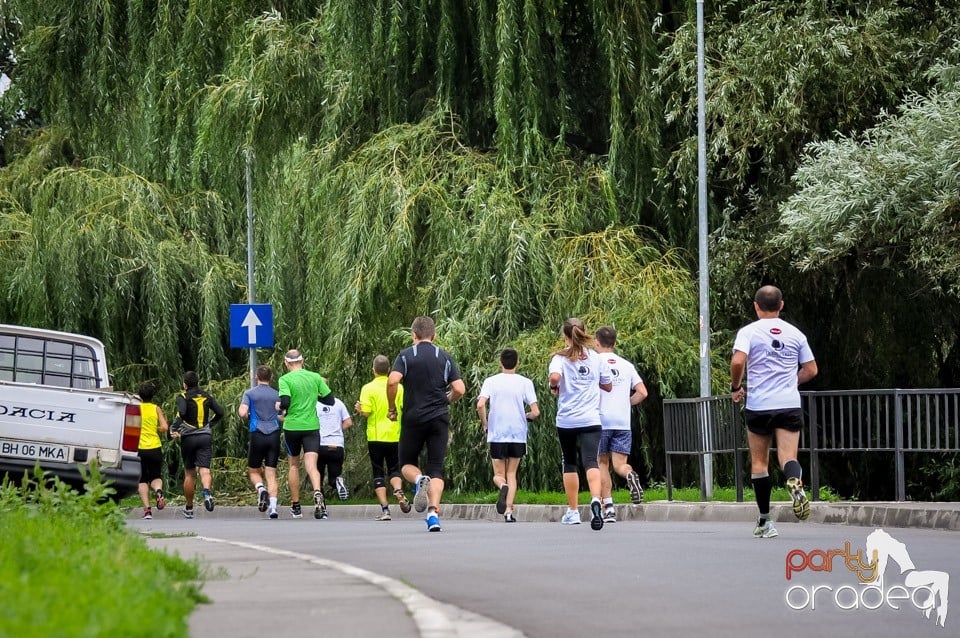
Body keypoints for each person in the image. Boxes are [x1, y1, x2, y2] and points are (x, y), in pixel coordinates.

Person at [730, 285, 818, 538]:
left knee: (759, 464)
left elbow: (737, 361)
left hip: (759, 405)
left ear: (756, 306)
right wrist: (791, 381)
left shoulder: (748, 332)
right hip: (788, 403)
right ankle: (795, 483)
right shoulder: (796, 334)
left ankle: (766, 522)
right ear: (781, 305)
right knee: (788, 457)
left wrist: (736, 386)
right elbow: (811, 369)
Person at [387, 316, 466, 532]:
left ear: (413, 335)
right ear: (435, 335)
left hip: (413, 418)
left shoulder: (405, 356)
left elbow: (393, 380)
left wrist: (391, 407)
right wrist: (446, 399)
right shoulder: (445, 357)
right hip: (439, 418)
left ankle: (420, 478)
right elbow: (459, 388)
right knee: (437, 469)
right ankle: (433, 516)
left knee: (406, 464)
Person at [548, 317, 612, 531]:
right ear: (583, 332)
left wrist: (554, 385)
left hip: (567, 419)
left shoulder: (560, 358)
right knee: (591, 461)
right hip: (591, 419)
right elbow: (608, 385)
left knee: (569, 461)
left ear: (565, 336)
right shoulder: (596, 358)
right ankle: (596, 499)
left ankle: (573, 511)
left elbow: (555, 378)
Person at [476, 348, 540, 523]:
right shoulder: (525, 382)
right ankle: (509, 512)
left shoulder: (491, 381)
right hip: (517, 433)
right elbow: (536, 412)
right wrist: (526, 416)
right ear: (517, 363)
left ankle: (501, 486)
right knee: (512, 473)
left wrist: (485, 423)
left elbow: (480, 405)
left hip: (497, 433)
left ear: (500, 363)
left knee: (499, 474)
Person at [594, 327, 648, 523]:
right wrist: (627, 403)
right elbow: (642, 392)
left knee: (602, 463)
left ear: (596, 342)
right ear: (614, 343)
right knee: (620, 464)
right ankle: (630, 475)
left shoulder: (594, 361)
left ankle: (608, 508)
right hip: (623, 422)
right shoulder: (627, 365)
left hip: (600, 421)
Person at [277, 349, 336, 520]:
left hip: (292, 427)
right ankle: (318, 494)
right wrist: (313, 396)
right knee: (312, 465)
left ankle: (296, 506)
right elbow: (330, 400)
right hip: (311, 427)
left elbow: (285, 402)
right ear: (303, 361)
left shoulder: (284, 379)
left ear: (286, 363)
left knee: (294, 465)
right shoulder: (315, 377)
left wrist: (281, 407)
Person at [356, 355, 411, 521]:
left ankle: (385, 510)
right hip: (395, 434)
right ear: (389, 370)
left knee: (378, 471)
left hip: (376, 436)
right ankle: (397, 490)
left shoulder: (368, 388)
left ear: (373, 370)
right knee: (395, 468)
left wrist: (359, 409)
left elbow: (366, 412)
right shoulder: (399, 388)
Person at [170, 371, 224, 519]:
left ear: (185, 384)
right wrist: (210, 424)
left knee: (189, 473)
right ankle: (206, 492)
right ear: (197, 382)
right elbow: (220, 412)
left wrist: (173, 428)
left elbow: (181, 412)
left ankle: (189, 508)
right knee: (205, 470)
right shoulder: (206, 395)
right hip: (205, 436)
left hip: (188, 438)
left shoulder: (183, 396)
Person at [238, 365, 282, 519]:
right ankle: (274, 509)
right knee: (271, 473)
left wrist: (248, 415)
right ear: (270, 378)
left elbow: (242, 412)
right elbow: (282, 416)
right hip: (274, 435)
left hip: (257, 434)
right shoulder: (277, 394)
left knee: (254, 470)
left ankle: (261, 489)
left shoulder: (249, 393)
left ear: (256, 376)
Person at [315, 395, 353, 519]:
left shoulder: (313, 404)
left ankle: (322, 509)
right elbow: (348, 422)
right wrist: (337, 430)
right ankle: (338, 482)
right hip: (337, 445)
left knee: (318, 479)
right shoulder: (338, 403)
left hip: (319, 445)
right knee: (334, 476)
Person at [136, 382, 169, 520]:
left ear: (139, 395)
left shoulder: (136, 409)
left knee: (142, 479)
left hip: (139, 448)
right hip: (155, 447)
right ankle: (159, 492)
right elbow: (165, 427)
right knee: (156, 476)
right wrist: (155, 429)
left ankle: (147, 511)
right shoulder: (156, 408)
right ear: (152, 395)